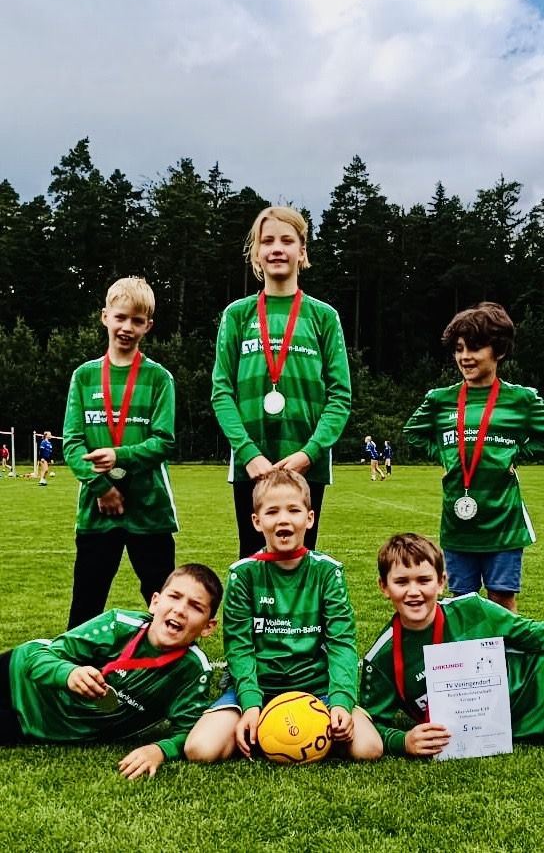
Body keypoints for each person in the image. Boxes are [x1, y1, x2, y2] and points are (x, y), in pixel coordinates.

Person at [184, 469, 382, 762]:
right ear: (257, 521)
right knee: (200, 749)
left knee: (369, 748)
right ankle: (262, 724)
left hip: (316, 688)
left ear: (309, 518)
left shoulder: (328, 572)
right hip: (259, 688)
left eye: (293, 510)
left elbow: (341, 643)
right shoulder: (243, 574)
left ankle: (301, 727)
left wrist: (340, 701)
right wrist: (250, 703)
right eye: (272, 511)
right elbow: (239, 647)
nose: (283, 520)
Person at [403, 301, 544, 612]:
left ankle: (505, 647)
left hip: (503, 523)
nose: (465, 357)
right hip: (458, 525)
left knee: (501, 600)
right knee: (461, 603)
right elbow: (412, 432)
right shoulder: (440, 400)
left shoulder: (520, 400)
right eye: (459, 349)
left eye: (475, 348)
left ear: (499, 351)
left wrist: (518, 451)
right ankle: (467, 648)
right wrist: (444, 455)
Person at [211, 206, 351, 558]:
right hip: (250, 468)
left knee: (299, 564)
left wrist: (309, 453)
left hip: (306, 467)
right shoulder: (237, 315)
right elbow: (221, 392)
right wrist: (248, 454)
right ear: (256, 253)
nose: (277, 248)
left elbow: (340, 397)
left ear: (302, 251)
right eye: (267, 241)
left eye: (287, 241)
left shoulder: (324, 317)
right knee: (252, 563)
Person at [0, 563, 222, 778]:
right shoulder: (118, 624)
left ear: (208, 627)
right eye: (174, 596)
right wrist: (69, 673)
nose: (180, 610)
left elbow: (190, 730)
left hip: (34, 725)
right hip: (15, 678)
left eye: (196, 607)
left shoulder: (193, 671)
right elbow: (37, 658)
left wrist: (160, 750)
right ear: (155, 602)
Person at [360, 532, 544, 757]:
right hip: (538, 726)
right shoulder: (381, 659)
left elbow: (541, 635)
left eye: (424, 580)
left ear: (441, 582)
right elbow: (369, 725)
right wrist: (403, 741)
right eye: (401, 582)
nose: (414, 592)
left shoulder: (473, 610)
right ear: (384, 586)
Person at [63, 276, 179, 629]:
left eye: (137, 320)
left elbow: (164, 441)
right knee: (86, 606)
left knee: (166, 605)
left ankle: (176, 662)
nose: (127, 327)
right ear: (105, 317)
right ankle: (74, 663)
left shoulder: (159, 378)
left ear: (148, 326)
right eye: (120, 317)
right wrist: (102, 487)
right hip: (97, 512)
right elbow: (72, 443)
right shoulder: (84, 377)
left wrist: (119, 456)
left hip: (150, 511)